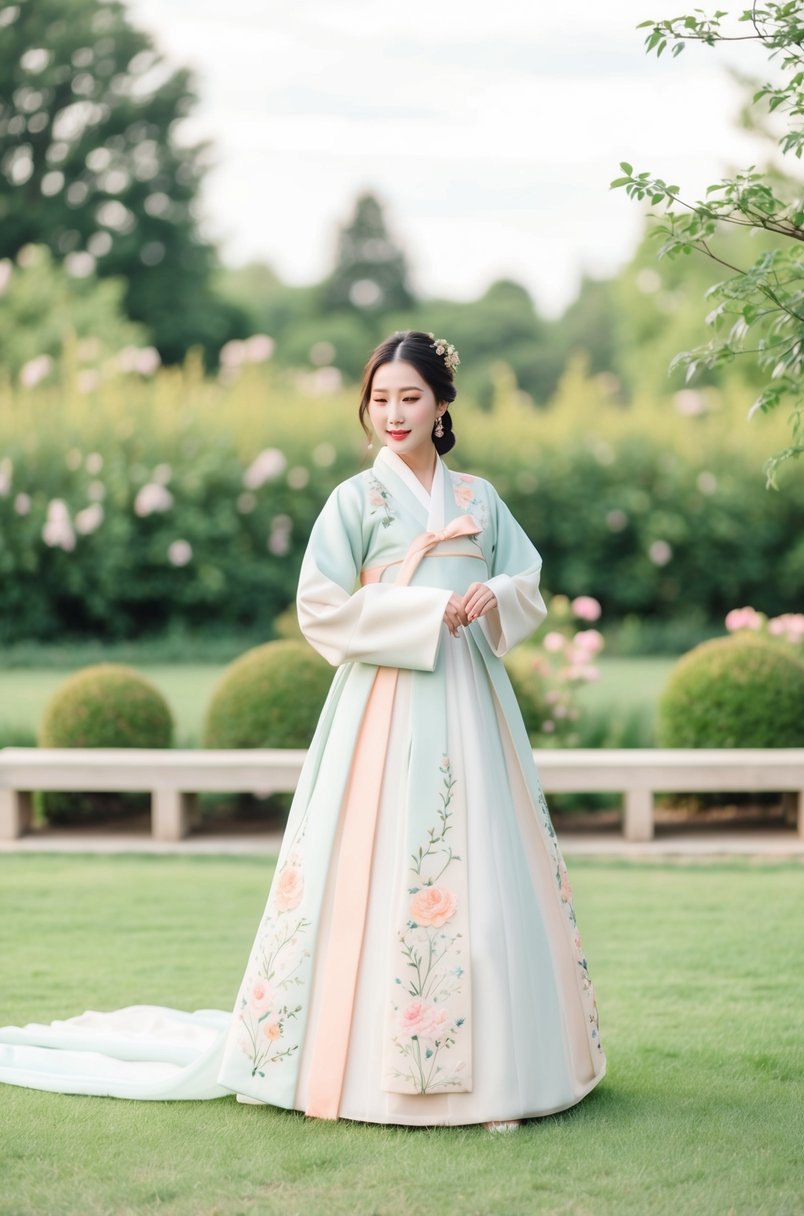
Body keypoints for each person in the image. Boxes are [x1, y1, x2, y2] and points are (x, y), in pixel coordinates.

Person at [0, 330, 606, 1131]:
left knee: (483, 864)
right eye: (380, 398)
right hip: (386, 701)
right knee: (376, 862)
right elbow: (319, 608)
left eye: (410, 397)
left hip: (470, 698)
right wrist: (427, 608)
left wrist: (493, 591)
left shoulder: (479, 500)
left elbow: (524, 576)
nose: (393, 413)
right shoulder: (355, 501)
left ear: (441, 404)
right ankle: (344, 1067)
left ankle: (502, 1075)